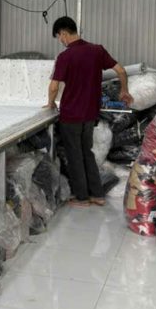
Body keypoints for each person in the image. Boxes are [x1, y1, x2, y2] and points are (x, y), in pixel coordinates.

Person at [46, 17, 132, 207]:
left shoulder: (65, 57)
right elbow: (121, 70)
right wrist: (124, 91)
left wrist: (50, 103)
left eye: (59, 37)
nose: (60, 40)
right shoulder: (97, 50)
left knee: (75, 155)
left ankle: (82, 198)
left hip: (71, 115)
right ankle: (97, 195)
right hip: (90, 114)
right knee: (87, 152)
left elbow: (54, 87)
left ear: (63, 33)